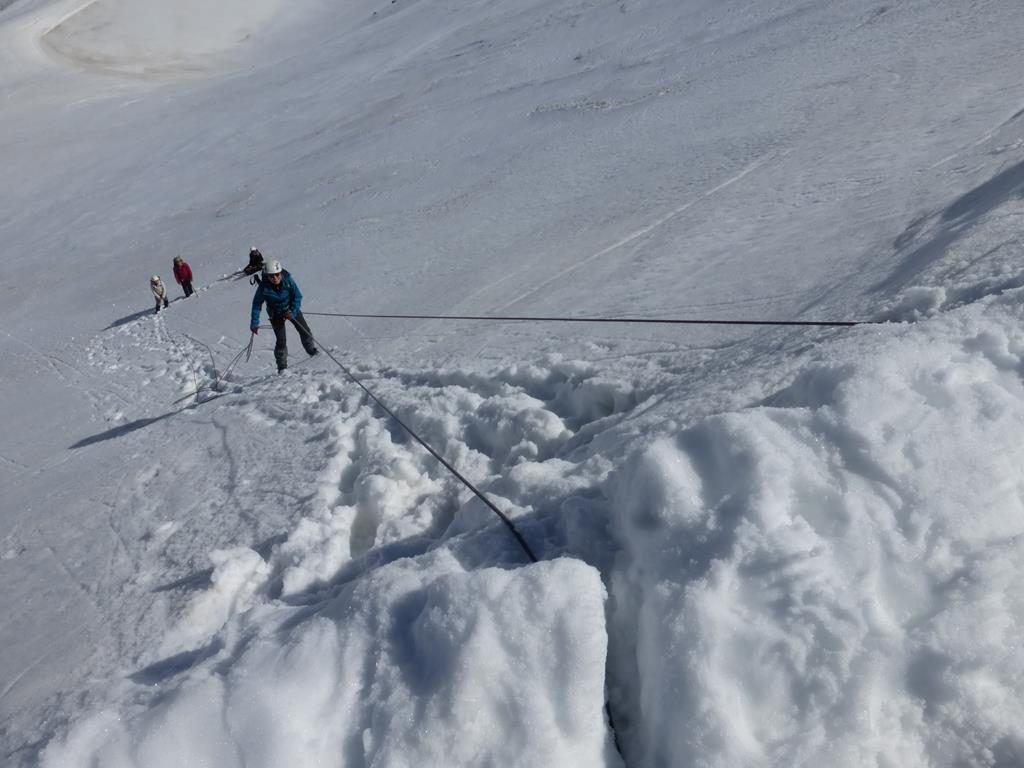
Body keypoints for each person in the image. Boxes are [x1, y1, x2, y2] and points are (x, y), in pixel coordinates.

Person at [249, 260, 317, 372]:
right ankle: (282, 367)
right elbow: (257, 304)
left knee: (304, 330)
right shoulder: (263, 288)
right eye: (271, 276)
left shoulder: (288, 280)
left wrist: (292, 311)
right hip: (276, 314)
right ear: (267, 276)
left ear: (280, 273)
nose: (275, 278)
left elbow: (297, 296)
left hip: (291, 309)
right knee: (281, 341)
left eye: (277, 274)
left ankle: (312, 351)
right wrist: (254, 323)